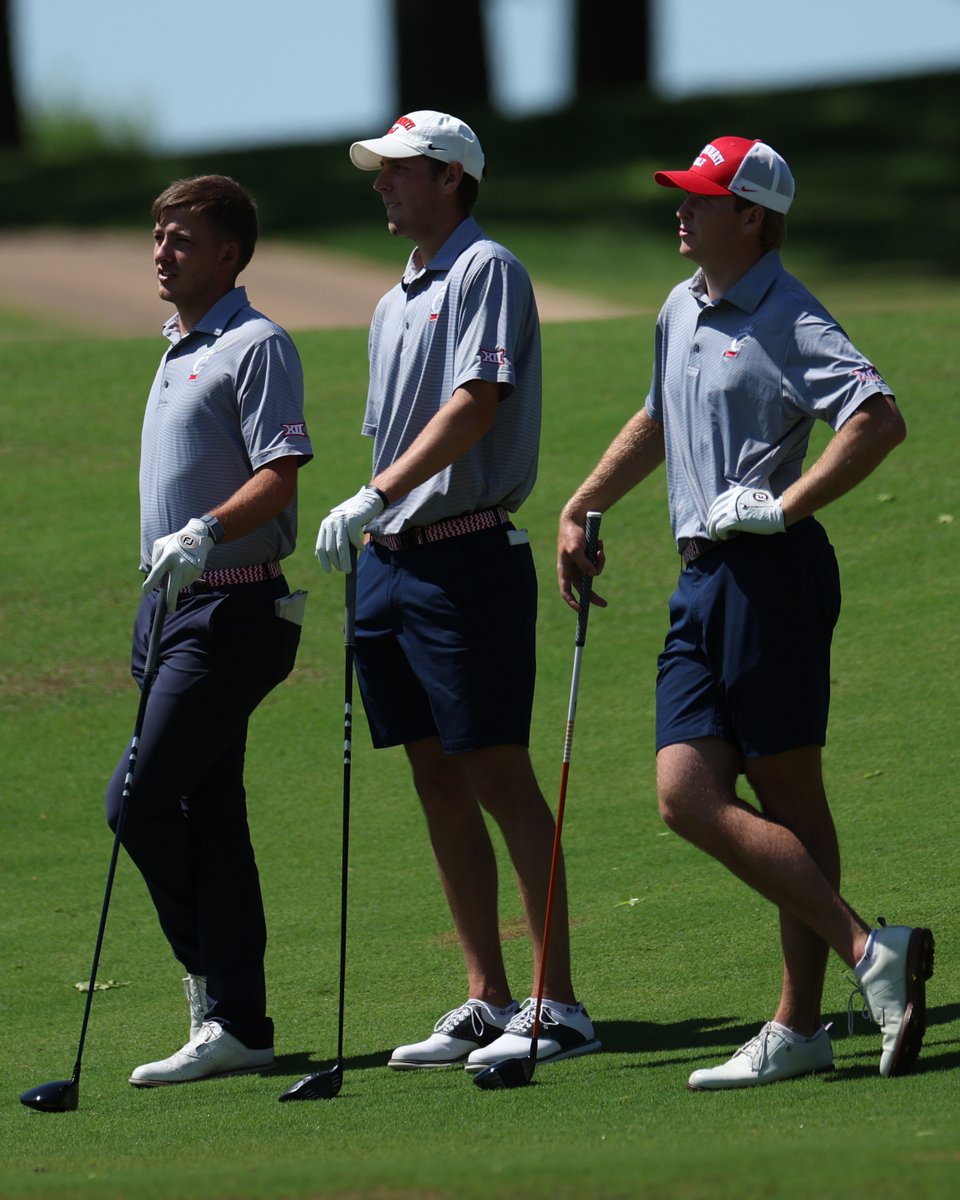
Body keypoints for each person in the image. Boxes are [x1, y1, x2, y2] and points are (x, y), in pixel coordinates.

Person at [557, 136, 934, 1089]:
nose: (681, 210)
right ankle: (866, 954)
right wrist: (586, 501)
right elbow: (657, 418)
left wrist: (785, 503)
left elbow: (876, 417)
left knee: (792, 797)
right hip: (699, 581)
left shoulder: (789, 313)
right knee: (684, 794)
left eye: (701, 198)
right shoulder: (682, 307)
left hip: (772, 575)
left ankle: (804, 1021)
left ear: (752, 217)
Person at [315, 110, 599, 1074]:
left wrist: (378, 492)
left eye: (397, 171)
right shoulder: (393, 298)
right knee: (433, 774)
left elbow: (474, 406)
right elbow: (394, 429)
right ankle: (487, 996)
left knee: (496, 772)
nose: (381, 185)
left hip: (465, 550)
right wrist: (375, 512)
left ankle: (559, 1002)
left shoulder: (487, 270)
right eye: (381, 171)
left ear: (449, 177)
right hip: (391, 561)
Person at [105, 174, 313, 1086]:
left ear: (228, 253)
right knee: (207, 810)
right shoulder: (174, 348)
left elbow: (281, 472)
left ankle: (214, 988)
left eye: (181, 238)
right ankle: (239, 1023)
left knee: (137, 799)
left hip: (232, 603)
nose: (161, 251)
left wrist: (203, 532)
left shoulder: (256, 345)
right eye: (157, 235)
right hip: (173, 607)